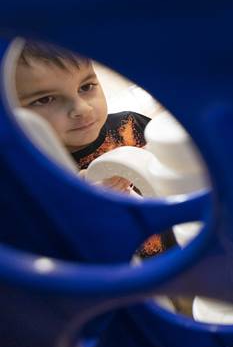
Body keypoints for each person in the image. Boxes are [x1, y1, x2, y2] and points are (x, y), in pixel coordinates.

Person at [14, 40, 176, 259]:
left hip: (184, 250)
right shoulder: (37, 173)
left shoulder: (132, 125)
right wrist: (78, 202)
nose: (82, 108)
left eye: (86, 87)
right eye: (45, 99)